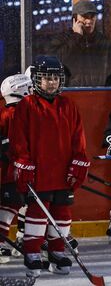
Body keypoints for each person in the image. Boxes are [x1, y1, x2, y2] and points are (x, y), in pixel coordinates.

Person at [10, 56, 89, 277]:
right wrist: (23, 163)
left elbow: (78, 137)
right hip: (39, 172)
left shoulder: (68, 104)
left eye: (55, 78)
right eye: (46, 78)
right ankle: (33, 252)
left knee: (62, 213)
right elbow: (18, 138)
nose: (52, 82)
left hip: (63, 173)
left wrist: (79, 161)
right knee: (37, 212)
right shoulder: (27, 105)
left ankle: (56, 251)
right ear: (36, 79)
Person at [0, 74, 33, 263]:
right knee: (10, 203)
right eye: (28, 88)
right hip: (10, 172)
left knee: (14, 203)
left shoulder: (18, 113)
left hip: (17, 170)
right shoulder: (11, 114)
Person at [46, 0, 111, 86]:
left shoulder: (103, 41)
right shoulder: (62, 39)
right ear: (74, 19)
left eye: (92, 16)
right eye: (84, 16)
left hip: (98, 92)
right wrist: (76, 37)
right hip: (70, 93)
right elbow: (55, 62)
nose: (89, 21)